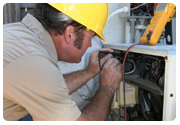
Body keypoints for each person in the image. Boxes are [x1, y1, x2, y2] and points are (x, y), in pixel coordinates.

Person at [3, 3, 122, 121]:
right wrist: (108, 87)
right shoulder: (33, 61)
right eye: (91, 37)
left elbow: (49, 87)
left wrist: (89, 72)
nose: (90, 45)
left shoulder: (22, 38)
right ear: (70, 34)